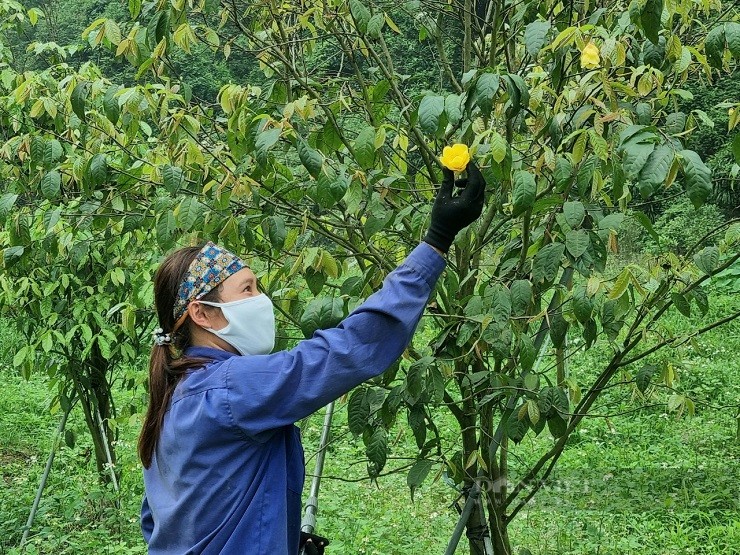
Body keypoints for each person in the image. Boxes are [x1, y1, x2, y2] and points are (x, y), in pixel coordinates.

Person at [137, 162, 487, 554]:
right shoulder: (231, 387)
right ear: (203, 314)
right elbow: (350, 348)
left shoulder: (172, 393)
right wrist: (437, 240)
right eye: (247, 289)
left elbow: (159, 520)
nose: (261, 299)